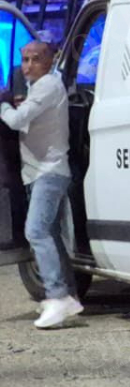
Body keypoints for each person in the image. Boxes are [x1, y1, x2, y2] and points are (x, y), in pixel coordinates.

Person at [0, 40, 79, 329]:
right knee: (51, 235)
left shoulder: (47, 85)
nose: (28, 65)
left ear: (49, 61)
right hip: (38, 172)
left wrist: (3, 104)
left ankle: (57, 298)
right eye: (24, 59)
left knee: (35, 231)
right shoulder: (40, 87)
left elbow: (17, 120)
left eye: (35, 59)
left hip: (49, 172)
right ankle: (67, 295)